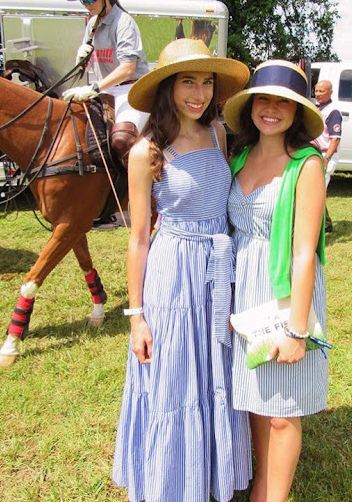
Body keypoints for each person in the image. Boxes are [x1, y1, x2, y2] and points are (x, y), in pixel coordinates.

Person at [112, 38, 252, 501]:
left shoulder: (218, 134)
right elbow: (138, 238)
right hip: (173, 275)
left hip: (217, 269)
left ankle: (208, 474)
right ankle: (170, 482)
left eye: (207, 82)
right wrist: (136, 317)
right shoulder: (146, 150)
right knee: (175, 378)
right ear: (168, 88)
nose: (199, 93)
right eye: (188, 82)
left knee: (213, 370)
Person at [224, 60, 329, 502]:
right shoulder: (239, 157)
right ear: (250, 107)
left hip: (284, 293)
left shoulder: (306, 165)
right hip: (244, 290)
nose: (271, 109)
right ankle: (261, 486)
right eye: (262, 99)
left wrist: (296, 330)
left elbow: (304, 251)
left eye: (283, 102)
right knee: (255, 398)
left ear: (297, 111)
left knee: (283, 410)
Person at [62, 0, 150, 170]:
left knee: (122, 140)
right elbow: (89, 67)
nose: (87, 5)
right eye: (83, 0)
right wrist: (82, 60)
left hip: (131, 90)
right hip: (106, 91)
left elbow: (128, 68)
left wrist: (94, 87)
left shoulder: (123, 22)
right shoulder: (92, 25)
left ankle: (143, 187)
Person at [313, 79, 342, 233]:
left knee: (318, 190)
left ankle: (319, 226)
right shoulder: (317, 108)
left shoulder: (333, 111)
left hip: (325, 154)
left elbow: (335, 139)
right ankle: (326, 223)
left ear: (330, 92)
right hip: (315, 153)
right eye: (316, 91)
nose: (318, 94)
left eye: (321, 91)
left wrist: (327, 159)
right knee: (315, 190)